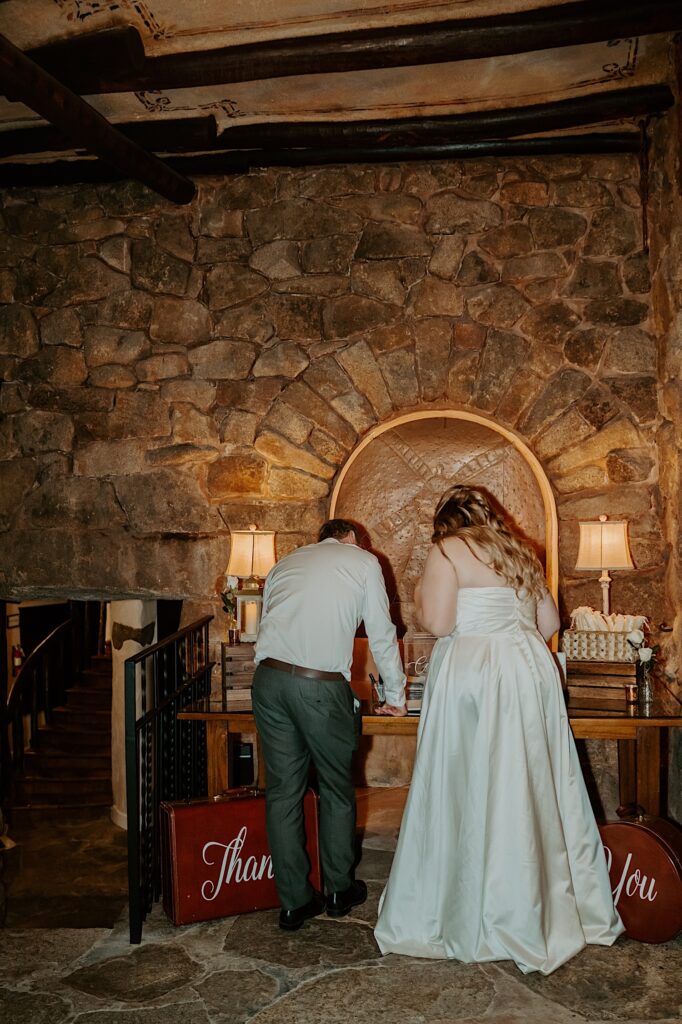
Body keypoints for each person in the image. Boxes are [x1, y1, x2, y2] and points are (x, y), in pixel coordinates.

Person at [374, 486, 623, 974]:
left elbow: (441, 623)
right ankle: (546, 906)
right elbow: (549, 621)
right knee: (530, 780)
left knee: (467, 780)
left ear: (446, 523)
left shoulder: (447, 549)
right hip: (528, 669)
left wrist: (422, 604)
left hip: (477, 673)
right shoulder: (521, 552)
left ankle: (471, 906)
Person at [252, 517, 406, 931]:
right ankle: (338, 889)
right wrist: (396, 696)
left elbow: (266, 623)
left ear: (320, 539)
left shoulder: (285, 562)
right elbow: (381, 631)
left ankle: (294, 903)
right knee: (337, 787)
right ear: (352, 539)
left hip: (267, 680)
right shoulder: (362, 561)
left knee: (283, 791)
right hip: (318, 686)